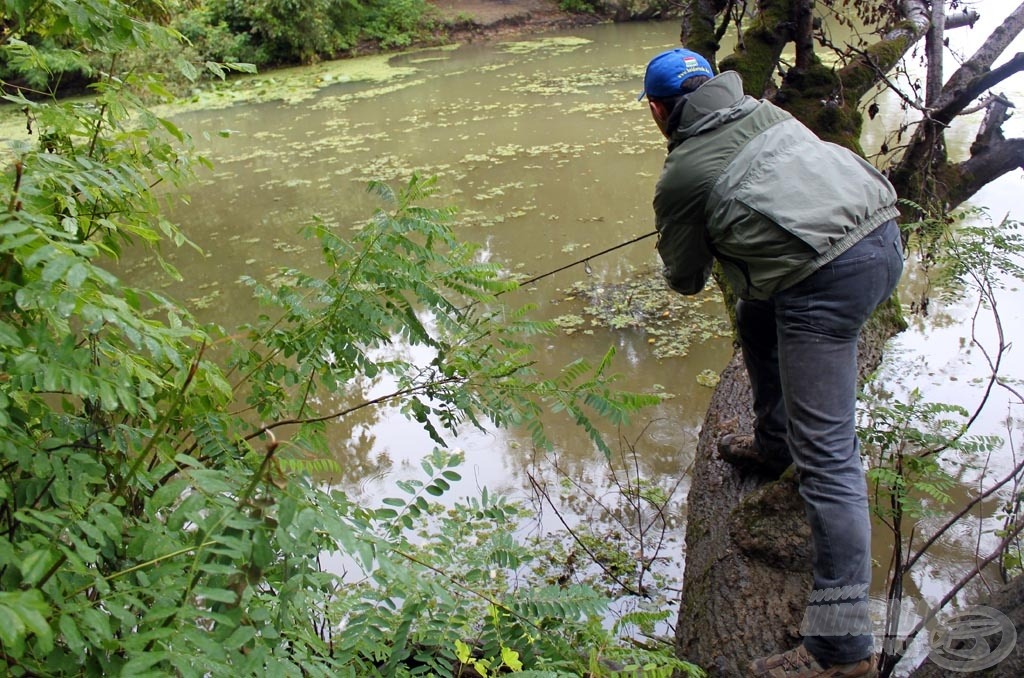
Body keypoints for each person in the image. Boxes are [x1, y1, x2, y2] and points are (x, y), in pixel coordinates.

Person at [639, 48, 904, 678]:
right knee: (758, 310)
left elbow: (683, 278)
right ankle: (773, 440)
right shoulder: (764, 111)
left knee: (832, 460)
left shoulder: (681, 174)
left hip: (825, 282)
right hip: (884, 236)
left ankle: (841, 654)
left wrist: (690, 222)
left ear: (657, 110)